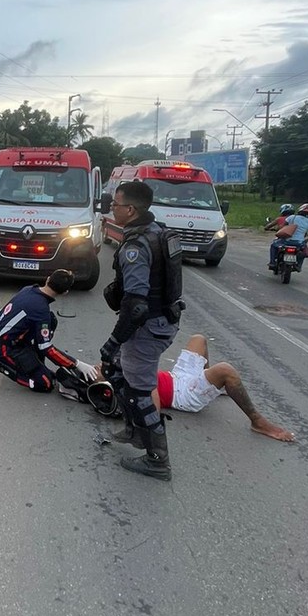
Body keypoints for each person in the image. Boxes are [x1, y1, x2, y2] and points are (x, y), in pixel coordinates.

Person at [100, 179, 183, 481]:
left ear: (130, 209)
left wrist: (112, 341)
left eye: (116, 205)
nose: (112, 209)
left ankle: (158, 460)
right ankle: (135, 431)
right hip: (164, 319)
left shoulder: (136, 245)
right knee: (117, 371)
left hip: (147, 327)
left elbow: (136, 306)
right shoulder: (157, 231)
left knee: (139, 393)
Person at [151, 335, 294, 440]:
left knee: (199, 339)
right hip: (181, 395)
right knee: (225, 371)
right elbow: (147, 393)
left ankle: (209, 386)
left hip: (177, 376)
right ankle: (258, 422)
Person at [0, 270, 80, 391]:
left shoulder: (29, 289)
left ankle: (36, 363)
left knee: (51, 320)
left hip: (10, 336)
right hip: (5, 347)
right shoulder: (41, 309)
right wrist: (75, 364)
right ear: (65, 292)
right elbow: (47, 348)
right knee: (45, 384)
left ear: (48, 279)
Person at [268, 203, 308, 270]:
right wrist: (306, 240)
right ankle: (299, 265)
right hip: (299, 243)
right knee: (303, 252)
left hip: (286, 241)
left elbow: (283, 226)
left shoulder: (292, 217)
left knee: (273, 245)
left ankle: (272, 262)